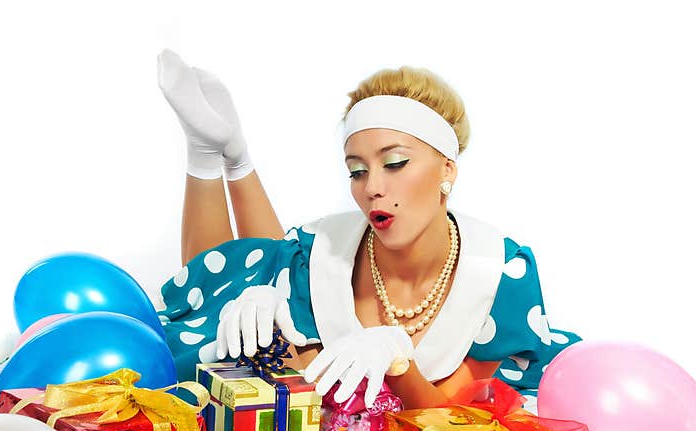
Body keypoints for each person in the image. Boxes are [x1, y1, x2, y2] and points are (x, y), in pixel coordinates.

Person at [154, 49, 579, 411]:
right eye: (357, 171)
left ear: (447, 169)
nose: (373, 188)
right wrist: (272, 340)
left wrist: (399, 363)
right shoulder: (319, 255)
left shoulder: (498, 275)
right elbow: (293, 389)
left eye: (394, 164)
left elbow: (446, 420)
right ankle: (213, 155)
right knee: (230, 308)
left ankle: (228, 156)